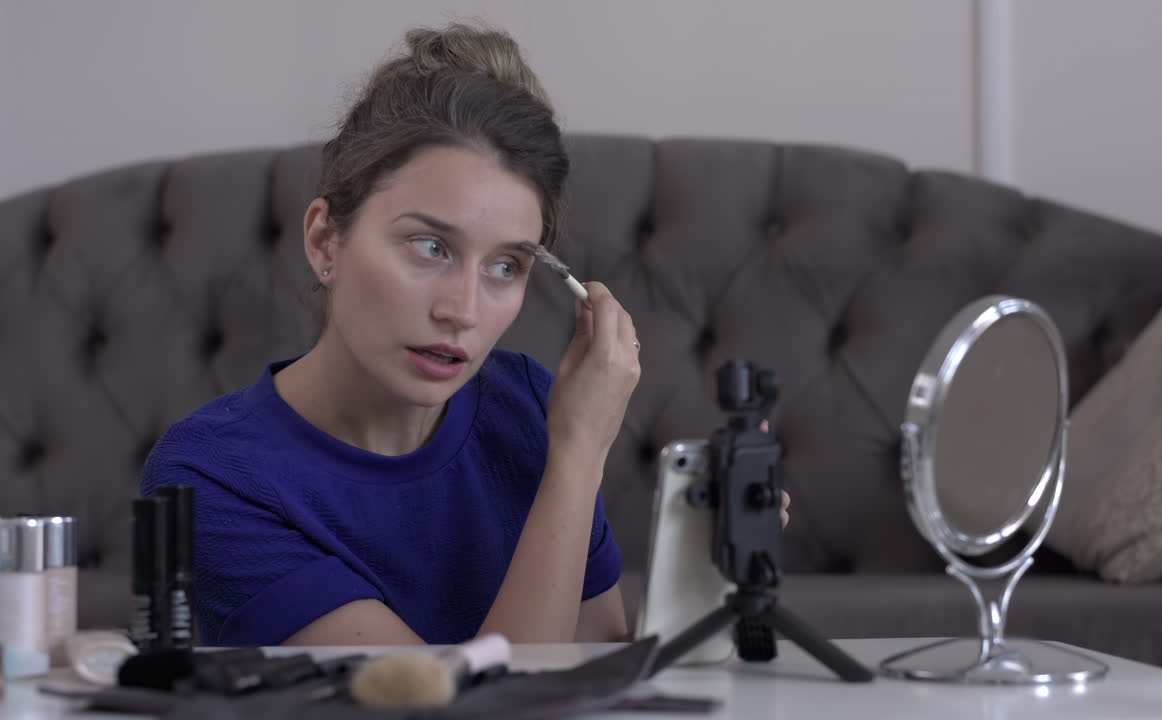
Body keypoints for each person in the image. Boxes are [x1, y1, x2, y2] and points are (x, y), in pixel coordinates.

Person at [142, 22, 788, 648]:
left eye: (506, 266)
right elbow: (452, 706)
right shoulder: (211, 474)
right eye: (430, 247)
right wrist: (578, 456)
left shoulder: (535, 409)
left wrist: (703, 576)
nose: (463, 310)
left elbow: (591, 663)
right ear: (324, 241)